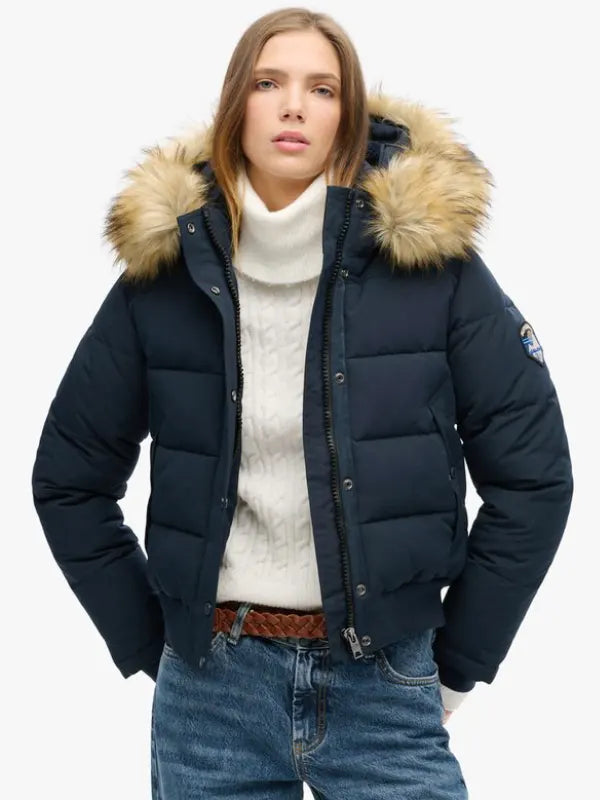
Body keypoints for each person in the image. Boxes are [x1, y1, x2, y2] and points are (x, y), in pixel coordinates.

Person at [31, 7, 574, 799]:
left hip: (385, 682)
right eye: (268, 83)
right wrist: (155, 643)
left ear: (348, 116)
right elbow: (69, 479)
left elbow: (533, 478)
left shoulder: (434, 271)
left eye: (322, 89)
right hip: (209, 695)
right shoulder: (165, 276)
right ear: (235, 106)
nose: (294, 107)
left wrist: (459, 664)